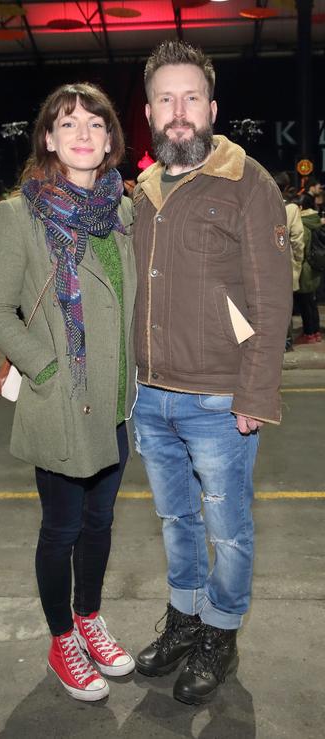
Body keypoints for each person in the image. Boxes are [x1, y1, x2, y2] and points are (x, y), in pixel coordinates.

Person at [132, 40, 292, 705]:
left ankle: (221, 633)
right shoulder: (140, 191)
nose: (179, 111)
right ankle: (186, 617)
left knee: (228, 525)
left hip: (221, 397)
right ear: (149, 112)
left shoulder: (248, 181)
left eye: (191, 97)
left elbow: (272, 295)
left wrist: (254, 390)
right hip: (150, 395)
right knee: (176, 522)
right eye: (166, 99)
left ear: (212, 107)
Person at [0, 82, 137, 702]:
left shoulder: (120, 210)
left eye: (95, 124)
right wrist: (43, 369)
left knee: (101, 523)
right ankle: (61, 635)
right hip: (62, 400)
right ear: (48, 138)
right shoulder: (20, 214)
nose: (82, 134)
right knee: (62, 528)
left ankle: (91, 618)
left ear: (110, 140)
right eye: (68, 123)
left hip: (118, 401)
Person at [273, 172, 305, 351]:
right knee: (284, 304)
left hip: (261, 264)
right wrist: (298, 261)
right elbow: (297, 238)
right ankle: (285, 341)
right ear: (286, 187)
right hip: (285, 263)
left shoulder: (261, 204)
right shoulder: (291, 209)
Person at [294, 193, 323, 344]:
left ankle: (309, 333)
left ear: (300, 207)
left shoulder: (303, 224)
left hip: (305, 269)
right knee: (312, 301)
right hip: (315, 267)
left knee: (305, 302)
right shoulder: (316, 220)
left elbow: (301, 247)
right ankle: (316, 332)